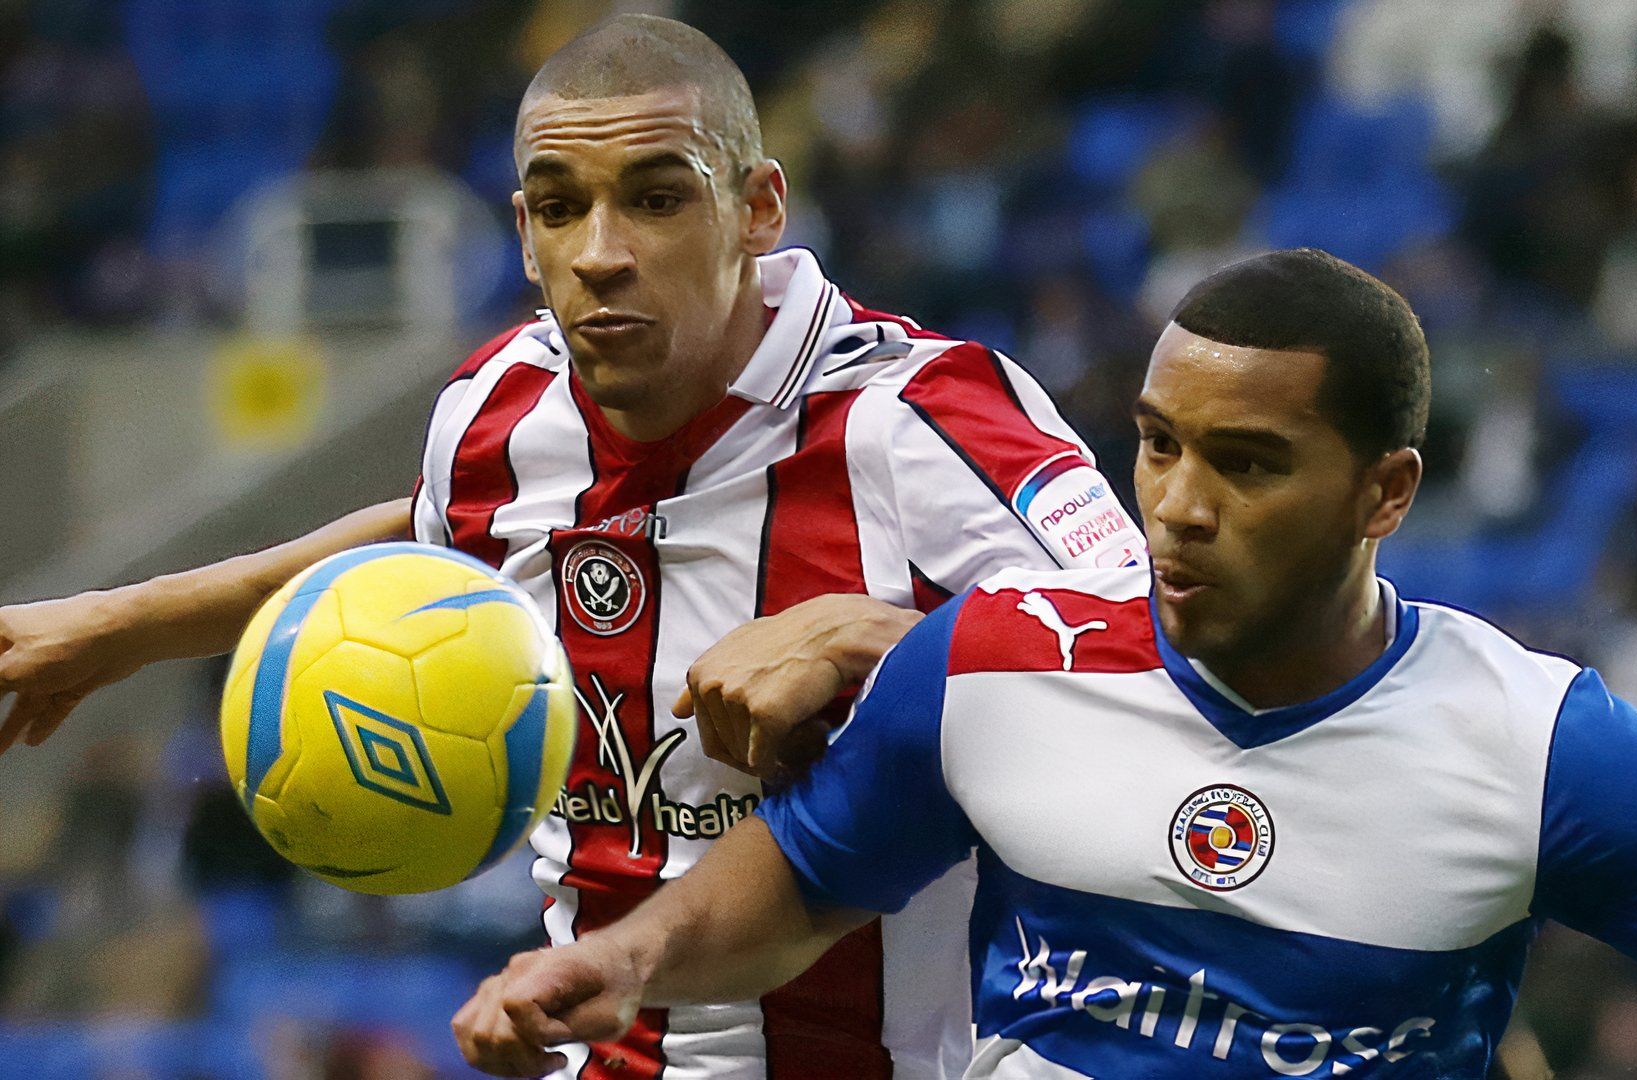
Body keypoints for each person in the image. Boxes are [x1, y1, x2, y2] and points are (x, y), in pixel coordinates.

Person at [0, 14, 1143, 1080]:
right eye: (560, 207)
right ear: (522, 231)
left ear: (758, 208)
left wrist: (870, 635)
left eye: (655, 199)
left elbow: (1167, 664)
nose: (600, 254)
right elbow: (431, 533)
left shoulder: (928, 423)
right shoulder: (497, 414)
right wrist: (118, 628)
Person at [464, 250, 1637, 1079]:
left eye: (1249, 462)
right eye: (1158, 443)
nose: (1179, 502)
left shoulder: (1545, 749)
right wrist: (616, 957)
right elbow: (791, 896)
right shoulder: (989, 665)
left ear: (1386, 490)